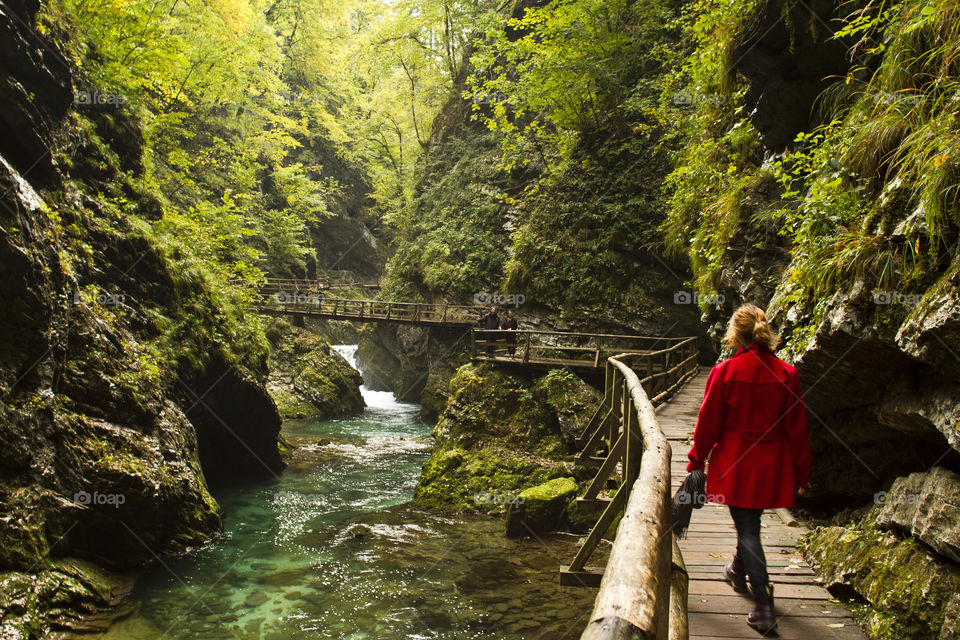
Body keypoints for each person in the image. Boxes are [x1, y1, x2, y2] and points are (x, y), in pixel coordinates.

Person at [685, 303, 811, 634]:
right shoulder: (787, 373)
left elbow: (708, 421)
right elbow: (797, 428)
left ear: (735, 333)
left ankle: (765, 604)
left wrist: (696, 459)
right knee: (749, 522)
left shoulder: (725, 372)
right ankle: (736, 570)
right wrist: (803, 472)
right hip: (771, 463)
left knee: (749, 528)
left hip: (736, 464)